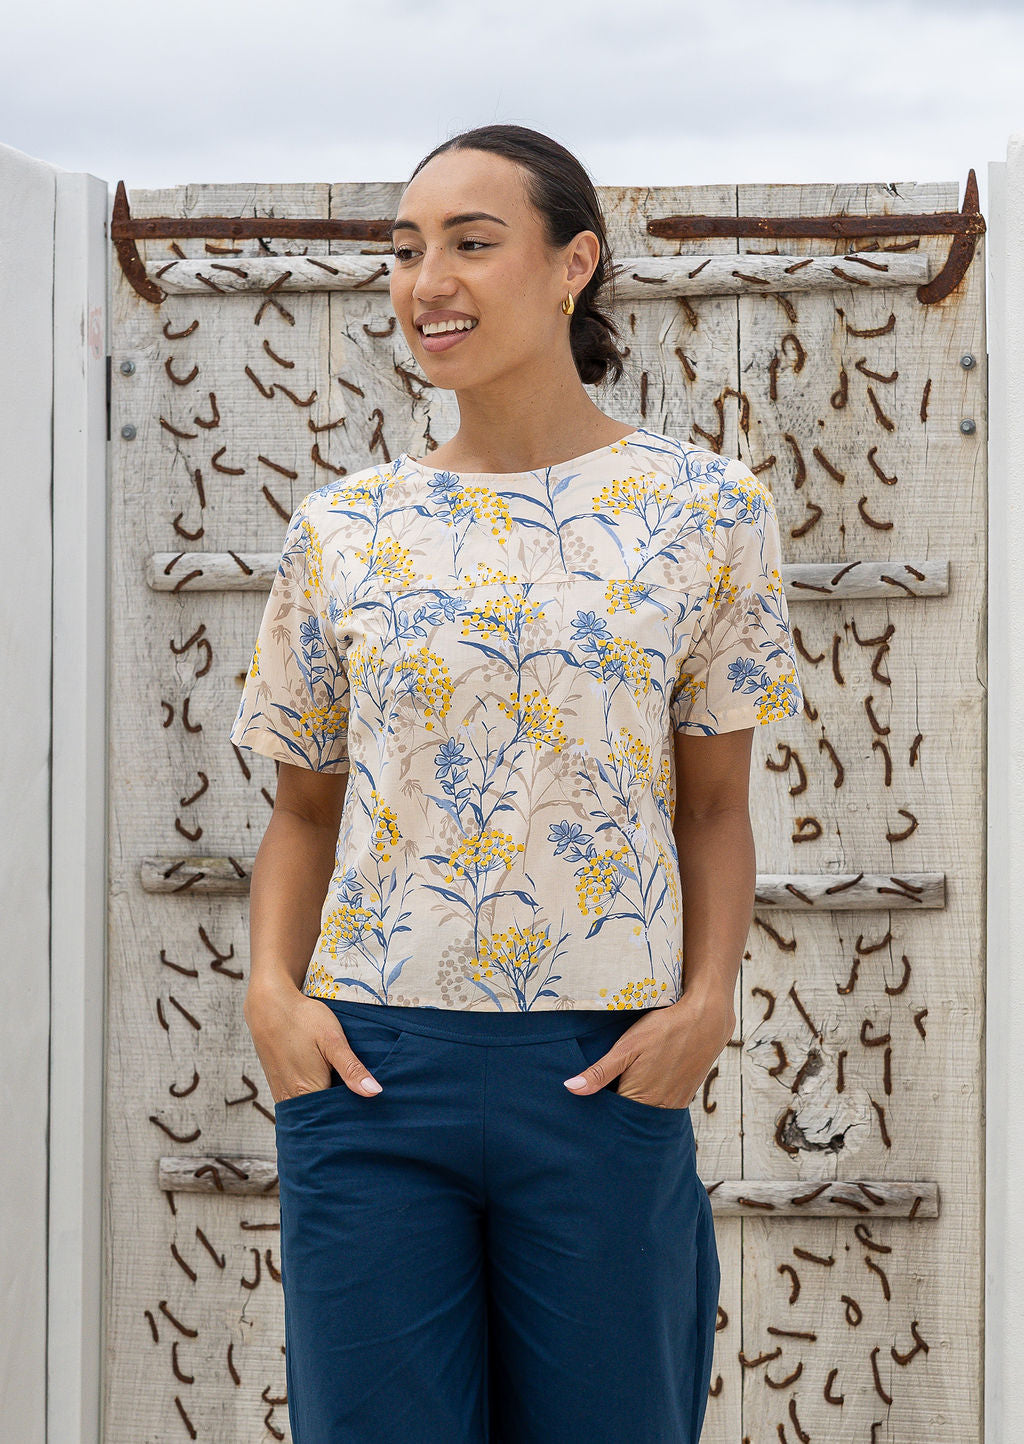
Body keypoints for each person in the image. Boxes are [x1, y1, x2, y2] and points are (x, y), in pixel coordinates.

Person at [229, 122, 804, 1444]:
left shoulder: (706, 511)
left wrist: (705, 1005)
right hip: (369, 1072)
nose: (428, 279)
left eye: (472, 243)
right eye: (406, 249)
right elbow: (302, 810)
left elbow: (714, 804)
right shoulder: (346, 528)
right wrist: (272, 997)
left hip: (603, 1069)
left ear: (572, 265)